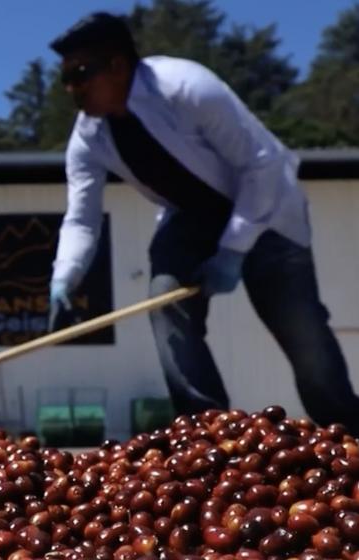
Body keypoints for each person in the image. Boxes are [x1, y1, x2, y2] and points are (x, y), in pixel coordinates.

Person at [46, 12, 359, 434]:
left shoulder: (186, 87)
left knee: (302, 331)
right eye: (66, 78)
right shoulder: (88, 138)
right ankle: (205, 431)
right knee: (165, 299)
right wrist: (66, 278)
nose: (71, 89)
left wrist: (233, 250)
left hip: (266, 212)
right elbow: (82, 218)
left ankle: (348, 431)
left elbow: (261, 166)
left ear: (117, 65)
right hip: (191, 220)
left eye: (80, 75)